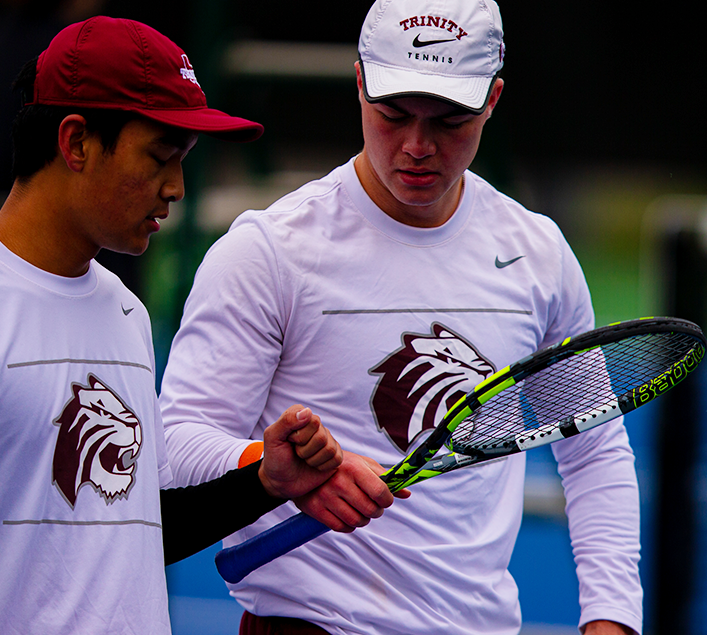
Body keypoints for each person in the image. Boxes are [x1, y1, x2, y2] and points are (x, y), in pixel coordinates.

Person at [0, 16, 394, 635]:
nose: (177, 186)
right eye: (161, 156)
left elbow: (131, 527)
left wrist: (264, 483)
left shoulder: (124, 313)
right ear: (75, 143)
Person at [157, 1, 643, 634]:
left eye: (449, 120)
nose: (417, 146)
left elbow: (593, 449)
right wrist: (269, 465)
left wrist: (612, 616)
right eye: (392, 115)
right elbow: (175, 446)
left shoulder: (538, 255)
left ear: (493, 99)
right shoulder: (268, 251)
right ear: (359, 84)